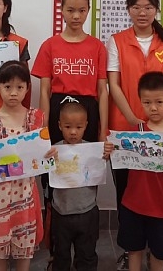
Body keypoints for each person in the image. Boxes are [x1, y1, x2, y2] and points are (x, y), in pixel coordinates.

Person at [106, 0, 163, 270]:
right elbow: (113, 84)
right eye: (136, 7)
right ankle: (131, 250)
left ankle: (157, 251)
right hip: (126, 128)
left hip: (162, 128)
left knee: (157, 187)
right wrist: (133, 119)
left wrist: (155, 117)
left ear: (156, 10)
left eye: (148, 7)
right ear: (128, 10)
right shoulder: (116, 41)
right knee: (126, 190)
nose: (142, 12)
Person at [0, 61, 54, 271]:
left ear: (27, 88)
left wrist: (50, 154)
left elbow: (42, 156)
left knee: (24, 244)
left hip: (25, 191)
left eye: (19, 87)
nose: (13, 93)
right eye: (7, 86)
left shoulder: (36, 119)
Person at [115, 72, 163, 271]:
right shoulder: (135, 131)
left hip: (161, 207)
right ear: (140, 101)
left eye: (159, 102)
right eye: (147, 103)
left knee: (159, 255)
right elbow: (118, 156)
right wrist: (109, 150)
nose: (153, 108)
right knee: (134, 251)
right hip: (132, 204)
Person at [33, 0, 108, 144]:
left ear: (88, 10)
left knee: (87, 158)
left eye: (82, 11)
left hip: (88, 110)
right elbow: (45, 91)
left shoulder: (97, 47)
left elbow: (102, 91)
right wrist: (43, 128)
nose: (76, 16)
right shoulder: (49, 45)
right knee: (57, 157)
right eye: (70, 10)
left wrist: (103, 130)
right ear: (62, 10)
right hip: (58, 109)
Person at [48, 100, 113, 271]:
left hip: (87, 212)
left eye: (78, 127)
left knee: (87, 254)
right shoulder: (53, 151)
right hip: (61, 212)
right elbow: (41, 167)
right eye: (68, 126)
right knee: (60, 255)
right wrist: (46, 159)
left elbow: (103, 161)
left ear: (86, 125)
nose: (73, 132)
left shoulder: (93, 149)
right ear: (59, 125)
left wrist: (106, 152)